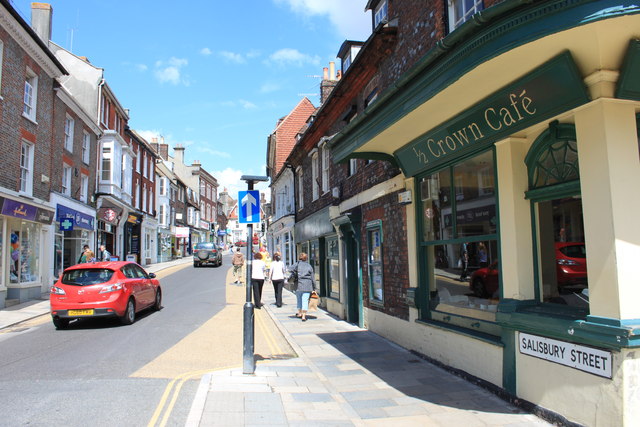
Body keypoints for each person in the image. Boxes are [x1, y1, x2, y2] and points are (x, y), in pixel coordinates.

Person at [289, 252, 316, 321]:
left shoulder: (297, 264)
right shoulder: (309, 266)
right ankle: (304, 316)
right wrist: (314, 287)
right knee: (305, 300)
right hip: (307, 285)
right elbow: (313, 278)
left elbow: (290, 269)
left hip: (298, 285)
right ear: (306, 258)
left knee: (299, 300)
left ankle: (299, 313)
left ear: (299, 258)